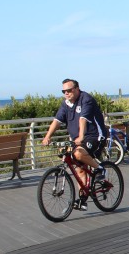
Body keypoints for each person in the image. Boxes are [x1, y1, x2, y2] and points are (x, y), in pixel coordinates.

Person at [41, 79, 107, 211]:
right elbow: (57, 121)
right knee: (79, 168)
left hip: (95, 136)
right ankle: (83, 200)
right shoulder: (65, 104)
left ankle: (100, 169)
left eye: (69, 90)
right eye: (64, 91)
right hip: (78, 139)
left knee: (78, 154)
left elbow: (83, 119)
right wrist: (47, 136)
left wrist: (81, 136)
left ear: (77, 89)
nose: (66, 93)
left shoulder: (86, 99)